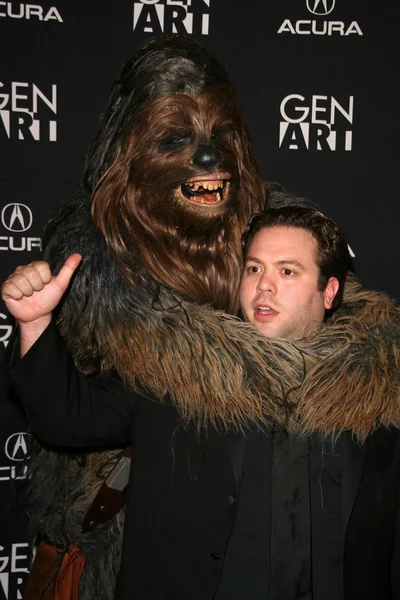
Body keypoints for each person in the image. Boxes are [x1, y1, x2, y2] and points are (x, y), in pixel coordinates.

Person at [3, 199, 400, 600]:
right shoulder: (185, 372)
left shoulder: (375, 393)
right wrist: (34, 323)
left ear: (329, 291)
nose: (264, 284)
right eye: (254, 268)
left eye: (287, 271)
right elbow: (67, 417)